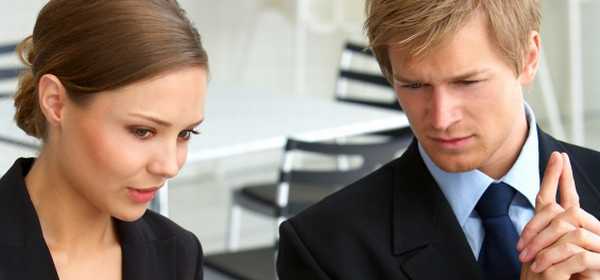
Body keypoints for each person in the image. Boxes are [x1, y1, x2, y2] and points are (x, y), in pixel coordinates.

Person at [277, 0, 600, 279]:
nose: (441, 119)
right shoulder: (324, 248)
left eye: (467, 82)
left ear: (529, 58)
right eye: (414, 86)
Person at [0, 0, 208, 279]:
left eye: (185, 134)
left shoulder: (177, 255)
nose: (169, 166)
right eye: (142, 131)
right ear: (56, 102)